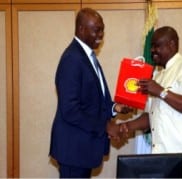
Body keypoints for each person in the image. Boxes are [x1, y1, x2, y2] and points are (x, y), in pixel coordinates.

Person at [120, 26, 182, 178]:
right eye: (152, 46)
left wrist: (161, 91)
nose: (152, 51)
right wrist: (125, 127)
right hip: (166, 161)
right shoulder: (158, 75)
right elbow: (152, 117)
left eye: (157, 46)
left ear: (172, 45)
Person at [49, 8, 132, 178]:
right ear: (81, 29)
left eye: (102, 29)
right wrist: (106, 126)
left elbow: (94, 102)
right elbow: (70, 110)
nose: (101, 34)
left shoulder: (87, 57)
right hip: (74, 150)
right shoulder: (72, 59)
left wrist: (116, 107)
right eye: (97, 29)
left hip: (82, 149)